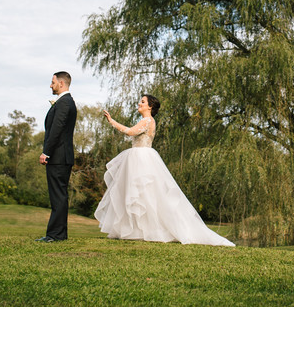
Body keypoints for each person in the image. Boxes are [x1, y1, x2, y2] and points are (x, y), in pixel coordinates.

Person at [94, 94, 234, 247]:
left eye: (143, 102)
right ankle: (137, 230)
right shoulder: (146, 121)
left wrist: (112, 121)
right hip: (137, 157)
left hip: (142, 159)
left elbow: (130, 132)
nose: (139, 104)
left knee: (145, 194)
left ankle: (151, 229)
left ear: (150, 107)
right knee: (138, 194)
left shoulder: (148, 121)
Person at [36, 71, 77, 243]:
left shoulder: (65, 103)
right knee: (58, 195)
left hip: (59, 156)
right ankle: (58, 233)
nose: (50, 85)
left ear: (61, 83)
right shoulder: (66, 102)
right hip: (61, 156)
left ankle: (55, 235)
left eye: (52, 82)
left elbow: (56, 130)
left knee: (58, 196)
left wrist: (46, 152)